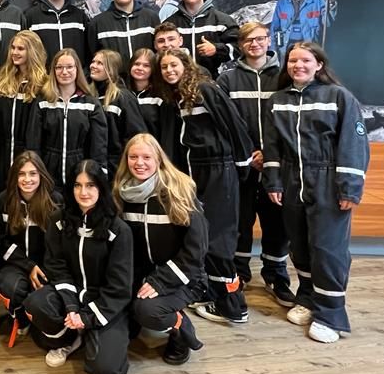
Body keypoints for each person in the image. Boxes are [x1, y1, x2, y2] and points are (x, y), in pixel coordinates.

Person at [263, 42, 369, 344]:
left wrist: (349, 188)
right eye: (292, 60)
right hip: (291, 181)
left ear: (319, 64)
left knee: (327, 249)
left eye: (306, 60)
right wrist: (273, 182)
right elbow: (272, 145)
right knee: (299, 245)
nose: (298, 65)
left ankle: (331, 315)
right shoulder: (277, 100)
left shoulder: (339, 97)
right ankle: (308, 298)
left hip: (327, 181)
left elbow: (354, 144)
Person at [153, 48, 255, 326]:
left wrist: (242, 164)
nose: (169, 71)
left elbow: (234, 125)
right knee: (201, 235)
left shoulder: (205, 89)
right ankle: (211, 292)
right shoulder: (177, 98)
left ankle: (233, 305)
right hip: (195, 173)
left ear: (186, 65)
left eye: (174, 65)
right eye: (164, 67)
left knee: (219, 238)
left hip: (218, 170)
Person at [23, 160, 133, 374]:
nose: (83, 192)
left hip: (104, 302)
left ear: (101, 188)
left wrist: (88, 317)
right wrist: (72, 307)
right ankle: (71, 338)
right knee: (36, 303)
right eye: (77, 185)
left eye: (91, 185)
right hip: (70, 295)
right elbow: (56, 266)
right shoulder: (58, 220)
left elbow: (119, 287)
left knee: (107, 369)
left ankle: (93, 332)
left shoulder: (118, 229)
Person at [216, 22, 294, 305]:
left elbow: (291, 122)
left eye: (260, 38)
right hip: (243, 166)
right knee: (240, 221)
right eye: (248, 40)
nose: (254, 44)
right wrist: (250, 154)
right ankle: (240, 273)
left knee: (277, 223)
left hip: (277, 167)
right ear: (240, 45)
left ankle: (276, 275)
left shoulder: (284, 77)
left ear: (269, 40)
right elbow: (225, 124)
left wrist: (270, 155)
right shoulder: (227, 79)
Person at [113, 134, 207, 365]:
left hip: (182, 277)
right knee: (122, 311)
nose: (139, 163)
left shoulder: (179, 191)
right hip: (142, 275)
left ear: (159, 159)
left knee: (148, 311)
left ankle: (180, 330)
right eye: (133, 157)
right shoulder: (120, 193)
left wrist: (161, 282)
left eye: (147, 157)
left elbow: (196, 249)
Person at [0, 151, 61, 346]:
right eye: (21, 174)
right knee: (11, 287)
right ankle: (20, 318)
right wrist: (28, 265)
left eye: (33, 173)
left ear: (41, 175)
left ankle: (38, 319)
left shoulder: (55, 201)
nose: (27, 179)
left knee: (44, 295)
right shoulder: (3, 201)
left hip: (46, 264)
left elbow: (59, 243)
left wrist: (42, 267)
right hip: (15, 263)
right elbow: (0, 242)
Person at [27, 48, 108, 191]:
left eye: (69, 67)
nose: (64, 72)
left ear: (77, 69)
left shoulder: (91, 104)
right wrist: (35, 171)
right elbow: (33, 143)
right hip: (48, 173)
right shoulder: (42, 102)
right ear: (53, 71)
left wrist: (97, 175)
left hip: (80, 174)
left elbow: (98, 147)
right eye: (59, 67)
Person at [0, 30, 47, 195]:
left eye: (21, 49)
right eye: (13, 48)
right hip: (1, 153)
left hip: (27, 153)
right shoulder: (1, 79)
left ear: (33, 51)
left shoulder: (43, 84)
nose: (14, 52)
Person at [165, 0, 238, 78]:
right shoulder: (170, 24)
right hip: (177, 82)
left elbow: (239, 47)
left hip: (211, 81)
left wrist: (216, 49)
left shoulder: (222, 21)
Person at [88, 0, 159, 67]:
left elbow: (159, 53)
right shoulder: (97, 23)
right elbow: (91, 59)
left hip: (147, 77)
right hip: (112, 77)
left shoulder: (151, 18)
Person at [90, 49, 146, 167]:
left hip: (117, 165)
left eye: (100, 63)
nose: (93, 66)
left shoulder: (124, 97)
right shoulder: (89, 97)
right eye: (93, 62)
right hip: (94, 164)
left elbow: (136, 136)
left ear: (112, 69)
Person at [24, 0, 89, 67]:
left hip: (74, 75)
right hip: (43, 76)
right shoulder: (31, 16)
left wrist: (83, 73)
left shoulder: (79, 16)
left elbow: (88, 51)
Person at [128, 47, 163, 137]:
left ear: (153, 69)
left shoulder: (159, 96)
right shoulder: (123, 94)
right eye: (137, 64)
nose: (140, 68)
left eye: (146, 65)